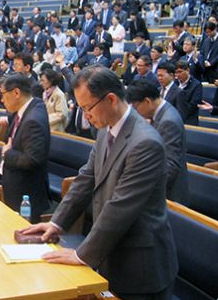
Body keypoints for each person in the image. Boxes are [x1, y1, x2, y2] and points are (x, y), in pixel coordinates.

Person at [21, 65, 177, 299]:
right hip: (111, 253)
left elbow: (121, 206)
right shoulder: (106, 129)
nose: (85, 116)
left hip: (140, 267)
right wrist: (56, 223)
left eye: (87, 108)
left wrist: (81, 254)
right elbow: (86, 178)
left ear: (111, 99)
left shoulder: (145, 143)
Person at [127, 79, 189, 204]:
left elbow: (170, 166)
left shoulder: (168, 121)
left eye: (136, 107)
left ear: (147, 101)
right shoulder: (161, 114)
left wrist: (144, 187)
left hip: (169, 194)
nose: (136, 112)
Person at [0, 74, 50, 222]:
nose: (2, 100)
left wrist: (7, 153)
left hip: (25, 192)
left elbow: (32, 160)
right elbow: (20, 118)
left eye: (3, 94)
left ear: (16, 93)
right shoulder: (34, 105)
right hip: (17, 186)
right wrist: (8, 119)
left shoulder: (33, 120)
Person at [174, 60, 202, 125]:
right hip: (175, 118)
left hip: (189, 120)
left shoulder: (196, 85)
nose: (177, 75)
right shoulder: (175, 83)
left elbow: (193, 106)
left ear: (187, 70)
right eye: (176, 72)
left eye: (180, 72)